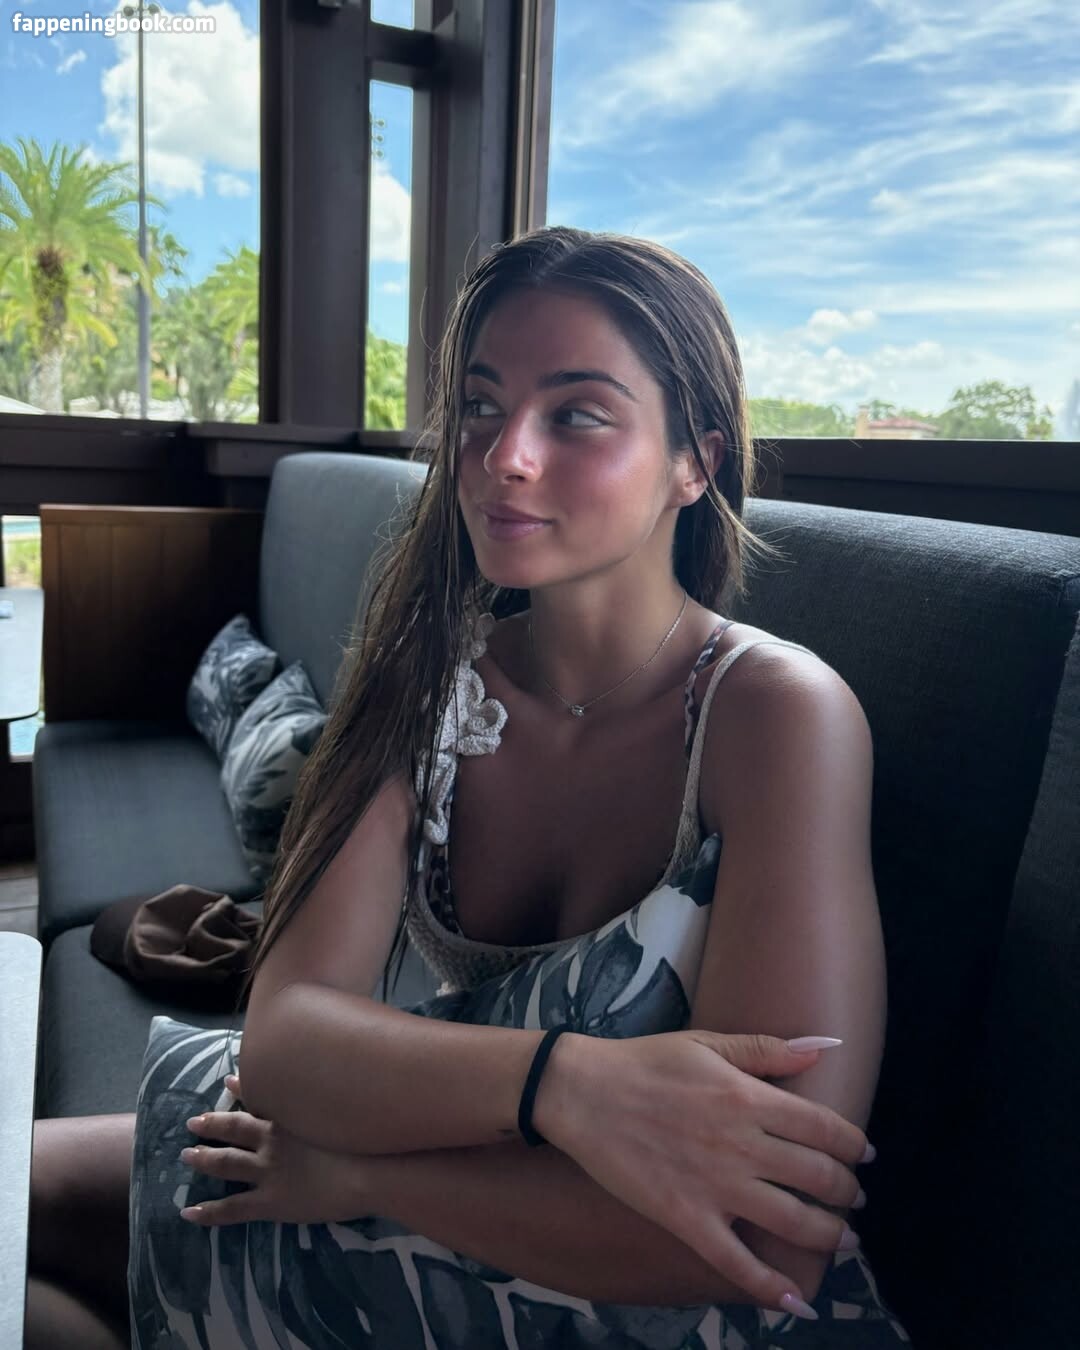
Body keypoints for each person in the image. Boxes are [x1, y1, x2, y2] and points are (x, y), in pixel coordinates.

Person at [26, 227, 912, 1348]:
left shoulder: (777, 716)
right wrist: (569, 1084)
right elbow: (286, 1041)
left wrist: (363, 1178)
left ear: (695, 461)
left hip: (610, 1293)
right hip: (351, 1183)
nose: (504, 458)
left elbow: (767, 1233)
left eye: (577, 414)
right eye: (482, 407)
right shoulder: (426, 681)